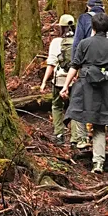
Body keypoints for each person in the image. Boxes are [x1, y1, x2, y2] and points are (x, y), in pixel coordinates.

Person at [70, 5, 108, 172]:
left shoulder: (84, 44)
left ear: (92, 27)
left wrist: (65, 86)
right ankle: (98, 162)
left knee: (78, 112)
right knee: (100, 127)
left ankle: (81, 141)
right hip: (105, 88)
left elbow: (74, 66)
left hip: (85, 85)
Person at [39, 14, 78, 144]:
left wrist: (44, 82)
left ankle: (59, 134)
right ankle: (75, 138)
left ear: (61, 27)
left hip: (59, 80)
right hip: (75, 80)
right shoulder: (80, 41)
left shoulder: (56, 42)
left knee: (57, 106)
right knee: (74, 107)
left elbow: (51, 64)